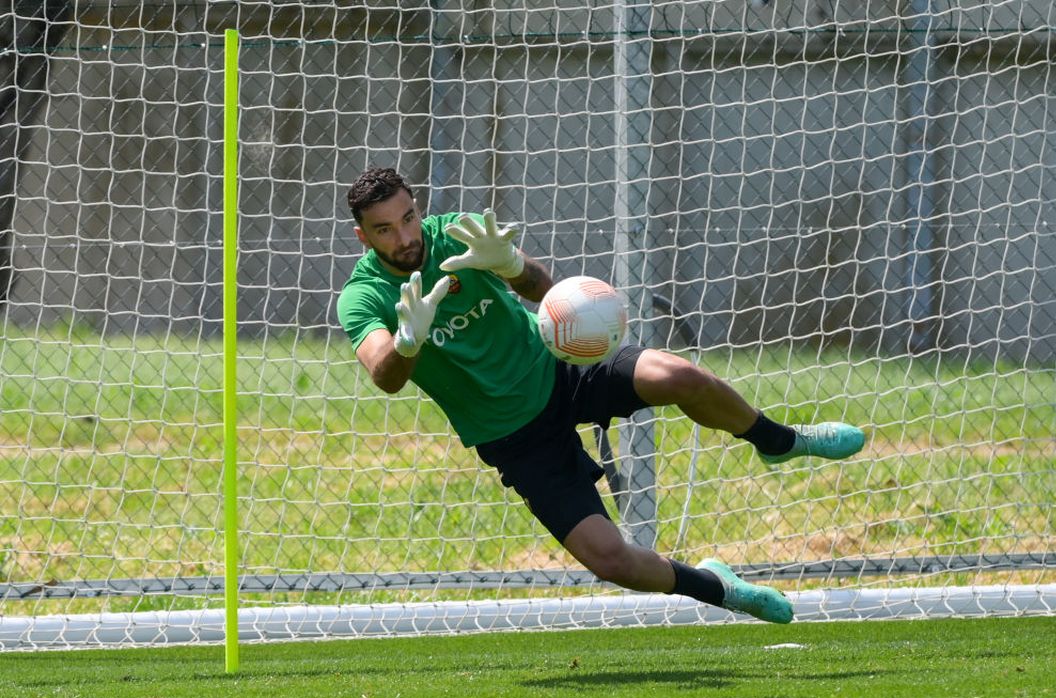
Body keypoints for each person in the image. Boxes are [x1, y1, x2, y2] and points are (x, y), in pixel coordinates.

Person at [336, 167, 865, 624]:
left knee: (680, 375)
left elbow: (548, 293)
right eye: (385, 229)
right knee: (610, 559)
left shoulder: (458, 234)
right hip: (512, 434)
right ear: (364, 237)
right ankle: (720, 588)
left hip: (560, 367)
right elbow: (385, 374)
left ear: (417, 207)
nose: (404, 236)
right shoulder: (363, 296)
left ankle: (777, 439)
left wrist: (510, 265)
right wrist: (409, 340)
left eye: (407, 218)